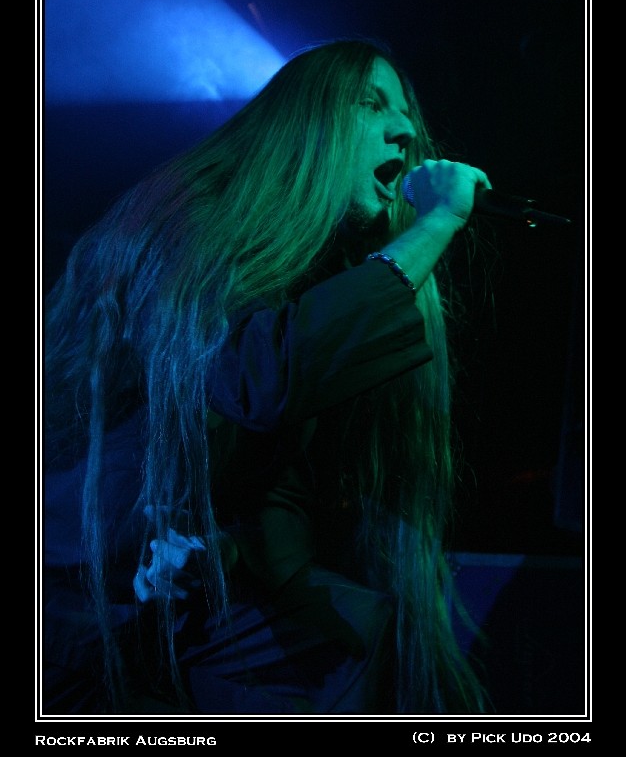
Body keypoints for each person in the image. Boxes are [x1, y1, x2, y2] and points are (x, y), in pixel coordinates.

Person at [43, 37, 494, 716]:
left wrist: (223, 549)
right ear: (305, 124)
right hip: (71, 588)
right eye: (372, 104)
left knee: (352, 637)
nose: (404, 129)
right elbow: (255, 376)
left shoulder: (306, 266)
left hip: (167, 580)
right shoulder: (194, 218)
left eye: (405, 111)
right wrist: (438, 223)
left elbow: (271, 471)